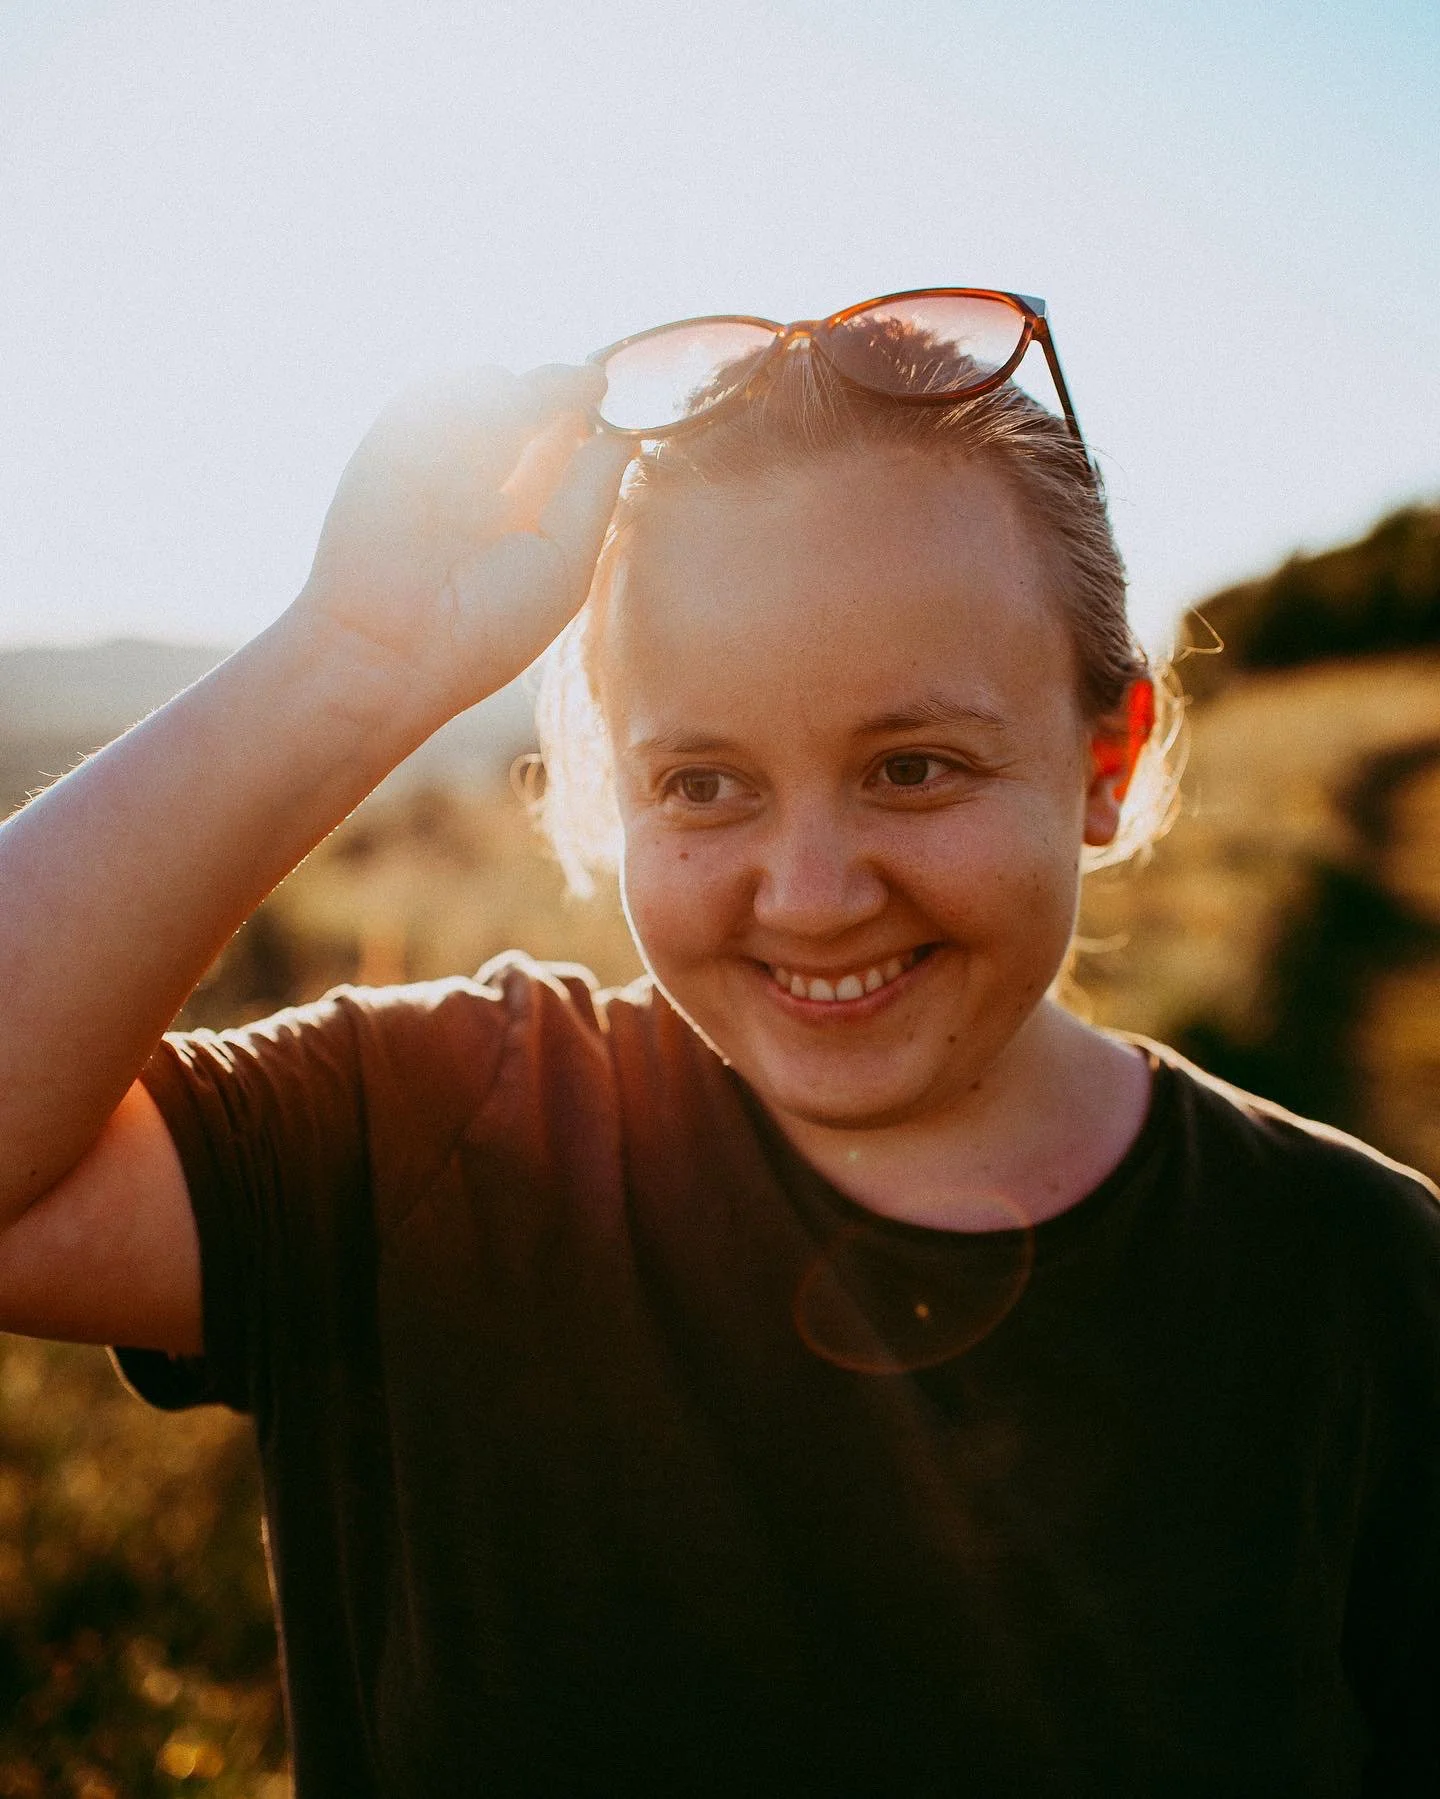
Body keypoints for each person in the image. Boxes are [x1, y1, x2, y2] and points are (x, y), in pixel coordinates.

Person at [0, 290, 1436, 1798]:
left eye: (913, 765)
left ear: (1105, 751)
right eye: (702, 784)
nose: (811, 894)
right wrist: (345, 662)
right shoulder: (435, 1141)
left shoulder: (1366, 1283)